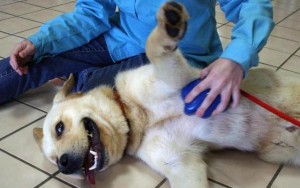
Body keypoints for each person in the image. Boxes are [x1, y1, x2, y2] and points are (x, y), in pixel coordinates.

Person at [0, 0, 274, 118]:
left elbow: (252, 5)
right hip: (120, 38)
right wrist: (41, 42)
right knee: (35, 59)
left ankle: (83, 79)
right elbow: (91, 12)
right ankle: (79, 76)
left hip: (179, 54)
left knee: (91, 92)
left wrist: (236, 59)